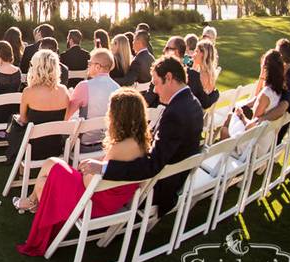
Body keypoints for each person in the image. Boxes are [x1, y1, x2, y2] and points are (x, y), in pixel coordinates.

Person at [15, 89, 150, 255]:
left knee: (50, 170)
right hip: (109, 196)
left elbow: (90, 183)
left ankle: (34, 203)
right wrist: (97, 164)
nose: (108, 113)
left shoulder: (119, 147)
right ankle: (33, 202)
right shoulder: (141, 143)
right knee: (50, 170)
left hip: (95, 201)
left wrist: (87, 170)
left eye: (111, 110)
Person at [80, 55, 204, 215]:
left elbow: (152, 165)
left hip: (157, 189)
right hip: (175, 178)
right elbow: (167, 144)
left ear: (169, 78)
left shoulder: (176, 113)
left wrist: (104, 168)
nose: (155, 90)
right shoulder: (193, 103)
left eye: (156, 83)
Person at [7, 50, 70, 163]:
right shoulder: (64, 90)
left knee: (13, 121)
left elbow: (24, 119)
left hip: (32, 148)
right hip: (56, 148)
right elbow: (65, 120)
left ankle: (19, 167)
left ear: (35, 68)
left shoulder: (28, 92)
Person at [221, 49, 285, 138]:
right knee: (231, 115)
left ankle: (222, 151)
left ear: (266, 69)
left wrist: (242, 116)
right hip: (266, 137)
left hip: (252, 142)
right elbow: (256, 99)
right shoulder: (280, 90)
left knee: (225, 128)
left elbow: (251, 128)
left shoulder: (265, 94)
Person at [68, 49, 120, 147]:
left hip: (83, 144)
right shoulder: (117, 88)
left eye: (89, 63)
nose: (88, 65)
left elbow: (67, 115)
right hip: (107, 143)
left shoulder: (84, 86)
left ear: (97, 67)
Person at [190, 39, 220, 110]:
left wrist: (192, 70)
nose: (193, 54)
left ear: (203, 54)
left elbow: (190, 96)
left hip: (194, 112)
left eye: (196, 51)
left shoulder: (202, 76)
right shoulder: (209, 72)